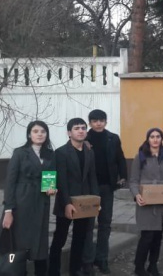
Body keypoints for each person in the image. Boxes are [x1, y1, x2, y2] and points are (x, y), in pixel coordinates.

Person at [0, 120, 57, 276]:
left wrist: (52, 189)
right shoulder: (20, 153)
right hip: (21, 201)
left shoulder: (50, 154)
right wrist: (8, 209)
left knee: (40, 239)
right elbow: (10, 182)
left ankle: (40, 272)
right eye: (36, 131)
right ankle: (20, 272)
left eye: (43, 131)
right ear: (29, 134)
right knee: (20, 240)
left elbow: (49, 178)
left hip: (41, 202)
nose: (39, 134)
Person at [49, 118, 99, 276]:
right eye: (77, 128)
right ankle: (53, 271)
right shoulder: (61, 152)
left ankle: (75, 269)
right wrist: (67, 204)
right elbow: (61, 180)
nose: (81, 131)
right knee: (60, 238)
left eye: (83, 128)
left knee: (80, 237)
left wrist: (96, 201)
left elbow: (92, 178)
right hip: (67, 203)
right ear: (69, 133)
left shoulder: (89, 151)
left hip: (84, 203)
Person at [83, 109, 128, 275]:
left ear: (106, 122)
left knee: (105, 224)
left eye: (101, 120)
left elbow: (120, 158)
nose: (98, 123)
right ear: (90, 123)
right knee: (88, 224)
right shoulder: (84, 137)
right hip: (88, 188)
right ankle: (87, 260)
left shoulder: (113, 138)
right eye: (95, 120)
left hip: (107, 186)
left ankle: (102, 259)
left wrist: (123, 176)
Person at [129, 128, 163, 276]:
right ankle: (139, 266)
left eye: (158, 136)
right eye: (152, 136)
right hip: (145, 203)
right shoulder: (140, 156)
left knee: (158, 236)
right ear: (148, 139)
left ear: (162, 139)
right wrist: (137, 195)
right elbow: (133, 180)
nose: (155, 139)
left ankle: (153, 265)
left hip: (162, 203)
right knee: (147, 236)